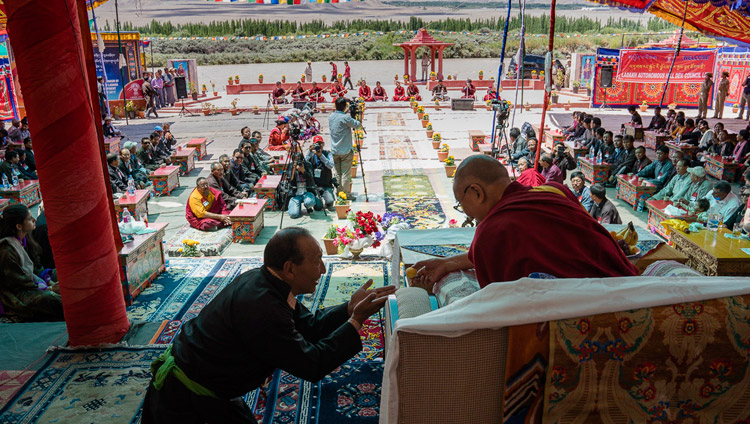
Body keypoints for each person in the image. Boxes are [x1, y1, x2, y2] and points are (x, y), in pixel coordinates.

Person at [141, 227, 395, 423]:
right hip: (187, 400)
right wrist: (356, 321)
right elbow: (312, 364)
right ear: (289, 268)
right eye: (317, 260)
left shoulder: (269, 283)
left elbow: (310, 326)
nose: (323, 269)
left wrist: (348, 309)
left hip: (207, 385)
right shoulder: (262, 307)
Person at [410, 155, 638, 290]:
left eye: (461, 203)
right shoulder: (556, 190)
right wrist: (446, 264)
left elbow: (498, 304)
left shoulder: (491, 231)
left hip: (586, 313)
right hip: (627, 287)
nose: (466, 213)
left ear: (476, 193)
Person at [0, 204, 63, 322]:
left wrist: (49, 280)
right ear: (19, 226)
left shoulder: (26, 238)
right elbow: (20, 283)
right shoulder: (7, 250)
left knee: (66, 274)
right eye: (29, 219)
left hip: (35, 282)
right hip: (18, 293)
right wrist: (49, 289)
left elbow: (37, 267)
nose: (34, 219)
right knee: (52, 300)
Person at [328, 97, 360, 198]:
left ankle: (339, 193)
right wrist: (354, 114)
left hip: (335, 150)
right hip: (345, 150)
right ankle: (346, 194)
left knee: (338, 173)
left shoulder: (331, 117)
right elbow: (358, 125)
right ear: (345, 107)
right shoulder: (345, 118)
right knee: (346, 174)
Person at [305, 135, 336, 211]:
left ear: (323, 144)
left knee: (330, 201)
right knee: (318, 207)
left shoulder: (327, 154)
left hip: (326, 184)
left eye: (320, 143)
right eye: (317, 144)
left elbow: (330, 166)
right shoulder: (311, 155)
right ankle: (317, 200)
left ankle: (327, 198)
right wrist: (309, 151)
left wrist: (321, 156)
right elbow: (304, 163)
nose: (319, 146)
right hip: (316, 186)